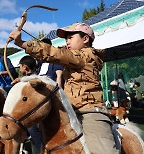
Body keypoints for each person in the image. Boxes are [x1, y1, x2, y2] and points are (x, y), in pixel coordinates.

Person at [9, 22, 118, 153]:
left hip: (91, 113)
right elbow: (50, 82)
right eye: (66, 39)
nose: (67, 41)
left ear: (85, 39)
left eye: (71, 37)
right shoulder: (73, 59)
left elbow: (56, 53)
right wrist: (24, 80)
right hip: (71, 114)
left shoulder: (86, 56)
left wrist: (22, 43)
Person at [11, 55, 42, 154]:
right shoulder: (27, 79)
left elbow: (34, 79)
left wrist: (21, 80)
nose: (19, 69)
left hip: (34, 114)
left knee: (34, 133)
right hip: (29, 114)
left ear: (25, 67)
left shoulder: (36, 79)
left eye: (20, 66)